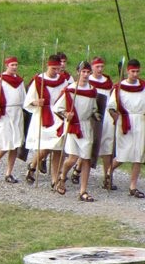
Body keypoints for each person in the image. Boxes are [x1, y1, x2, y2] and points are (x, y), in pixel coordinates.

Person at [53, 61, 98, 201]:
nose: (85, 74)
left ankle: (83, 191)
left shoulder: (92, 90)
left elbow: (94, 109)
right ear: (78, 72)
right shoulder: (70, 90)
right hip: (73, 126)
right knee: (72, 158)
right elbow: (58, 108)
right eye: (83, 72)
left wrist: (96, 115)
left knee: (86, 159)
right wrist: (67, 115)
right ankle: (62, 175)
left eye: (87, 72)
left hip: (86, 127)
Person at [23, 54, 68, 186]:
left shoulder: (63, 81)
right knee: (46, 148)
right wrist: (37, 102)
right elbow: (28, 101)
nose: (56, 72)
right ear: (49, 66)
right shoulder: (39, 80)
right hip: (43, 117)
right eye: (54, 69)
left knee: (58, 149)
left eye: (58, 69)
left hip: (58, 117)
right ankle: (32, 165)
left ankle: (54, 179)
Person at [0, 56, 26, 183]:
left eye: (16, 65)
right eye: (12, 65)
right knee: (7, 143)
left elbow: (23, 97)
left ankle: (9, 173)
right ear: (7, 65)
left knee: (15, 145)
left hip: (17, 113)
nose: (14, 67)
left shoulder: (19, 81)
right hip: (5, 113)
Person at [106, 59, 145, 198]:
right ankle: (109, 172)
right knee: (124, 153)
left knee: (138, 155)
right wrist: (114, 114)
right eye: (132, 71)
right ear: (128, 71)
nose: (135, 74)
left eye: (137, 71)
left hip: (140, 121)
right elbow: (111, 106)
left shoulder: (143, 86)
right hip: (125, 121)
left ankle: (133, 186)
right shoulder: (119, 88)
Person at [75, 56, 114, 186]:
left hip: (106, 116)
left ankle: (107, 177)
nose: (100, 69)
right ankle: (77, 169)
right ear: (92, 68)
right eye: (97, 67)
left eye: (102, 67)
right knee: (90, 144)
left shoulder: (107, 81)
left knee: (107, 146)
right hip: (92, 115)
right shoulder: (88, 82)